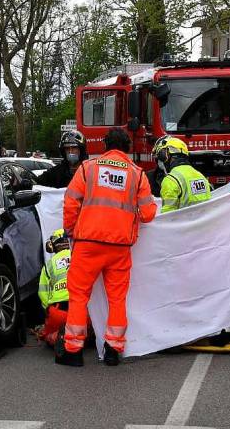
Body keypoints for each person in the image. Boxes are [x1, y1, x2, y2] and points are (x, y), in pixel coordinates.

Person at [56, 128, 157, 367]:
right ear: (128, 149)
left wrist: (71, 231)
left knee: (79, 296)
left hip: (87, 244)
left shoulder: (87, 169)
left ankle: (73, 351)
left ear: (104, 146)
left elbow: (70, 203)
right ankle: (113, 349)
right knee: (117, 299)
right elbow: (149, 214)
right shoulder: (137, 174)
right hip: (119, 247)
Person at [37, 229, 72, 346]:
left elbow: (43, 292)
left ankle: (58, 337)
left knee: (46, 334)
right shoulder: (80, 256)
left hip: (58, 312)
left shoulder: (49, 264)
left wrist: (47, 309)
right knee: (87, 330)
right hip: (82, 310)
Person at [158, 137, 211, 213]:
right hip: (202, 224)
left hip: (182, 223)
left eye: (161, 156)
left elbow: (168, 216)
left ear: (167, 155)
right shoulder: (201, 177)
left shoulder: (170, 180)